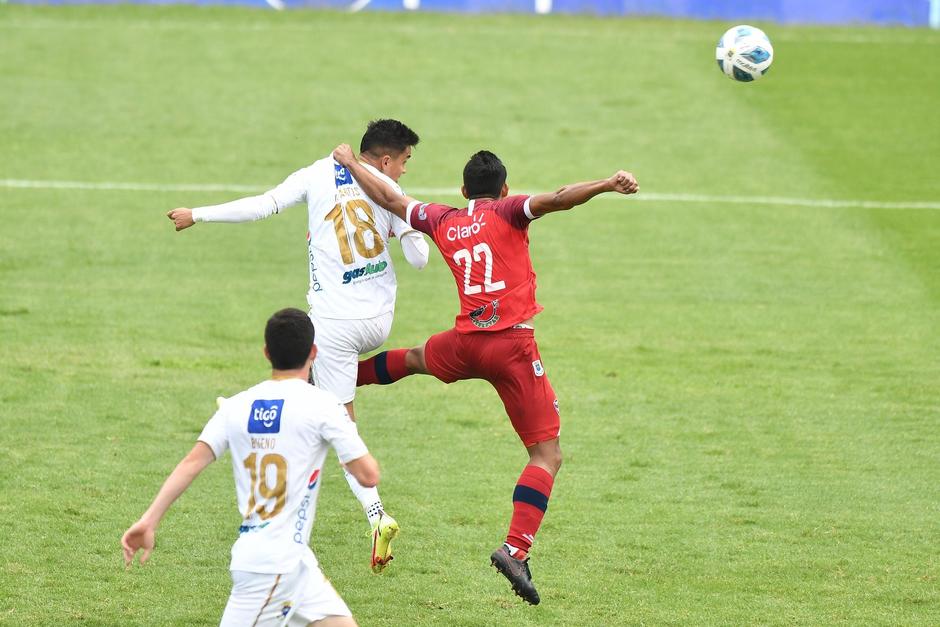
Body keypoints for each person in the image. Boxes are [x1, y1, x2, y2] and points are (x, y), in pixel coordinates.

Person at [331, 143, 639, 605]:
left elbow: (391, 200)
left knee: (415, 359)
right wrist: (606, 184)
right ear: (505, 189)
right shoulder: (512, 211)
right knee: (546, 455)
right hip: (512, 347)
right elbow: (558, 197)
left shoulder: (443, 219)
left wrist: (353, 164)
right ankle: (515, 550)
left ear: (462, 191)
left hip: (466, 343)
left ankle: (337, 376)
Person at [166, 120, 428, 572]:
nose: (403, 171)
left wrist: (198, 214)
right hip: (379, 321)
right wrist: (399, 226)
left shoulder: (315, 173)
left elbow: (263, 206)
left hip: (335, 327)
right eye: (405, 162)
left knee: (333, 420)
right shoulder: (387, 190)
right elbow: (421, 260)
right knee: (319, 399)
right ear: (386, 160)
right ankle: (394, 370)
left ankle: (375, 515)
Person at [122, 308, 380, 626]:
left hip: (295, 562)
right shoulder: (324, 405)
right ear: (314, 351)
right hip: (270, 567)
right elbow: (369, 475)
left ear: (267, 353)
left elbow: (191, 463)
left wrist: (149, 520)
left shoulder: (238, 405)